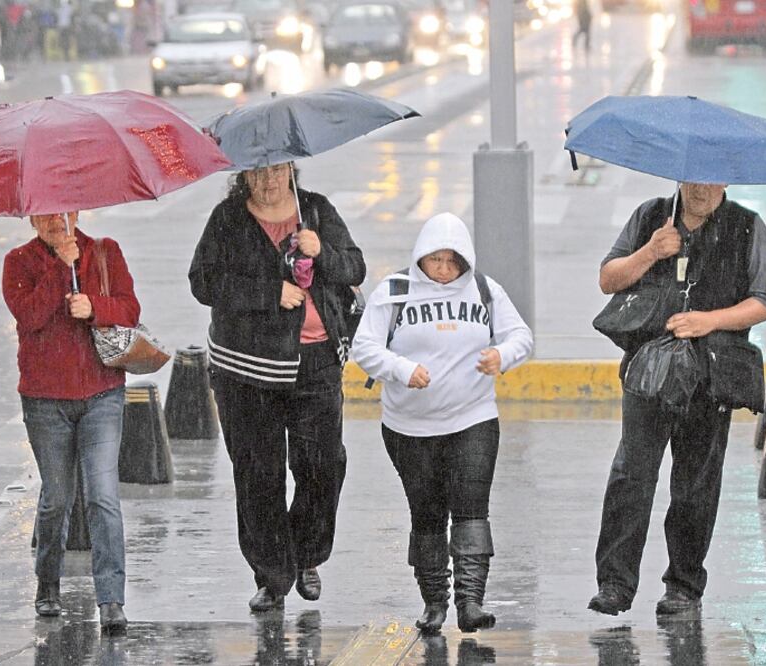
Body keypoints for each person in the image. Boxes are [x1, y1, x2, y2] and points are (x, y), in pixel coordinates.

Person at [587, 182, 766, 616]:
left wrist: (708, 320)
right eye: (692, 177)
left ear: (725, 182)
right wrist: (651, 251)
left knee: (696, 484)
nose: (700, 188)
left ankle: (684, 585)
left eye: (710, 178)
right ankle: (615, 584)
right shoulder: (650, 216)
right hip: (648, 371)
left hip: (710, 376)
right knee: (631, 475)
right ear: (678, 177)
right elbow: (607, 279)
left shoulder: (746, 227)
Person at [189, 162, 366, 612]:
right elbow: (204, 282)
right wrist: (269, 293)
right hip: (246, 367)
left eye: (277, 171)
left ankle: (306, 554)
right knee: (257, 474)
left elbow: (354, 267)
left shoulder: (316, 210)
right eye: (258, 173)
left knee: (323, 464)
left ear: (292, 170)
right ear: (244, 176)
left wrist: (321, 250)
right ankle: (272, 575)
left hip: (316, 360)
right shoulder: (227, 219)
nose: (268, 181)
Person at [351, 212, 533, 635]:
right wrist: (401, 368)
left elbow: (520, 335)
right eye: (437, 260)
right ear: (421, 256)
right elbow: (365, 346)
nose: (445, 269)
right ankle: (435, 602)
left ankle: (471, 602)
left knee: (472, 510)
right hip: (409, 429)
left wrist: (501, 356)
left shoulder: (485, 290)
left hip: (473, 418)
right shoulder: (394, 291)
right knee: (427, 513)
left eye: (454, 261)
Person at [2, 211, 140, 632]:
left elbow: (129, 309)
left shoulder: (103, 251)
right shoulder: (19, 262)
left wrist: (94, 306)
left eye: (62, 212)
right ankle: (47, 583)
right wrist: (60, 269)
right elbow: (29, 317)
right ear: (30, 217)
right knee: (57, 498)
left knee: (102, 496)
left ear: (76, 212)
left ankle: (111, 600)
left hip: (101, 394)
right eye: (43, 214)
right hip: (46, 401)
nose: (54, 221)